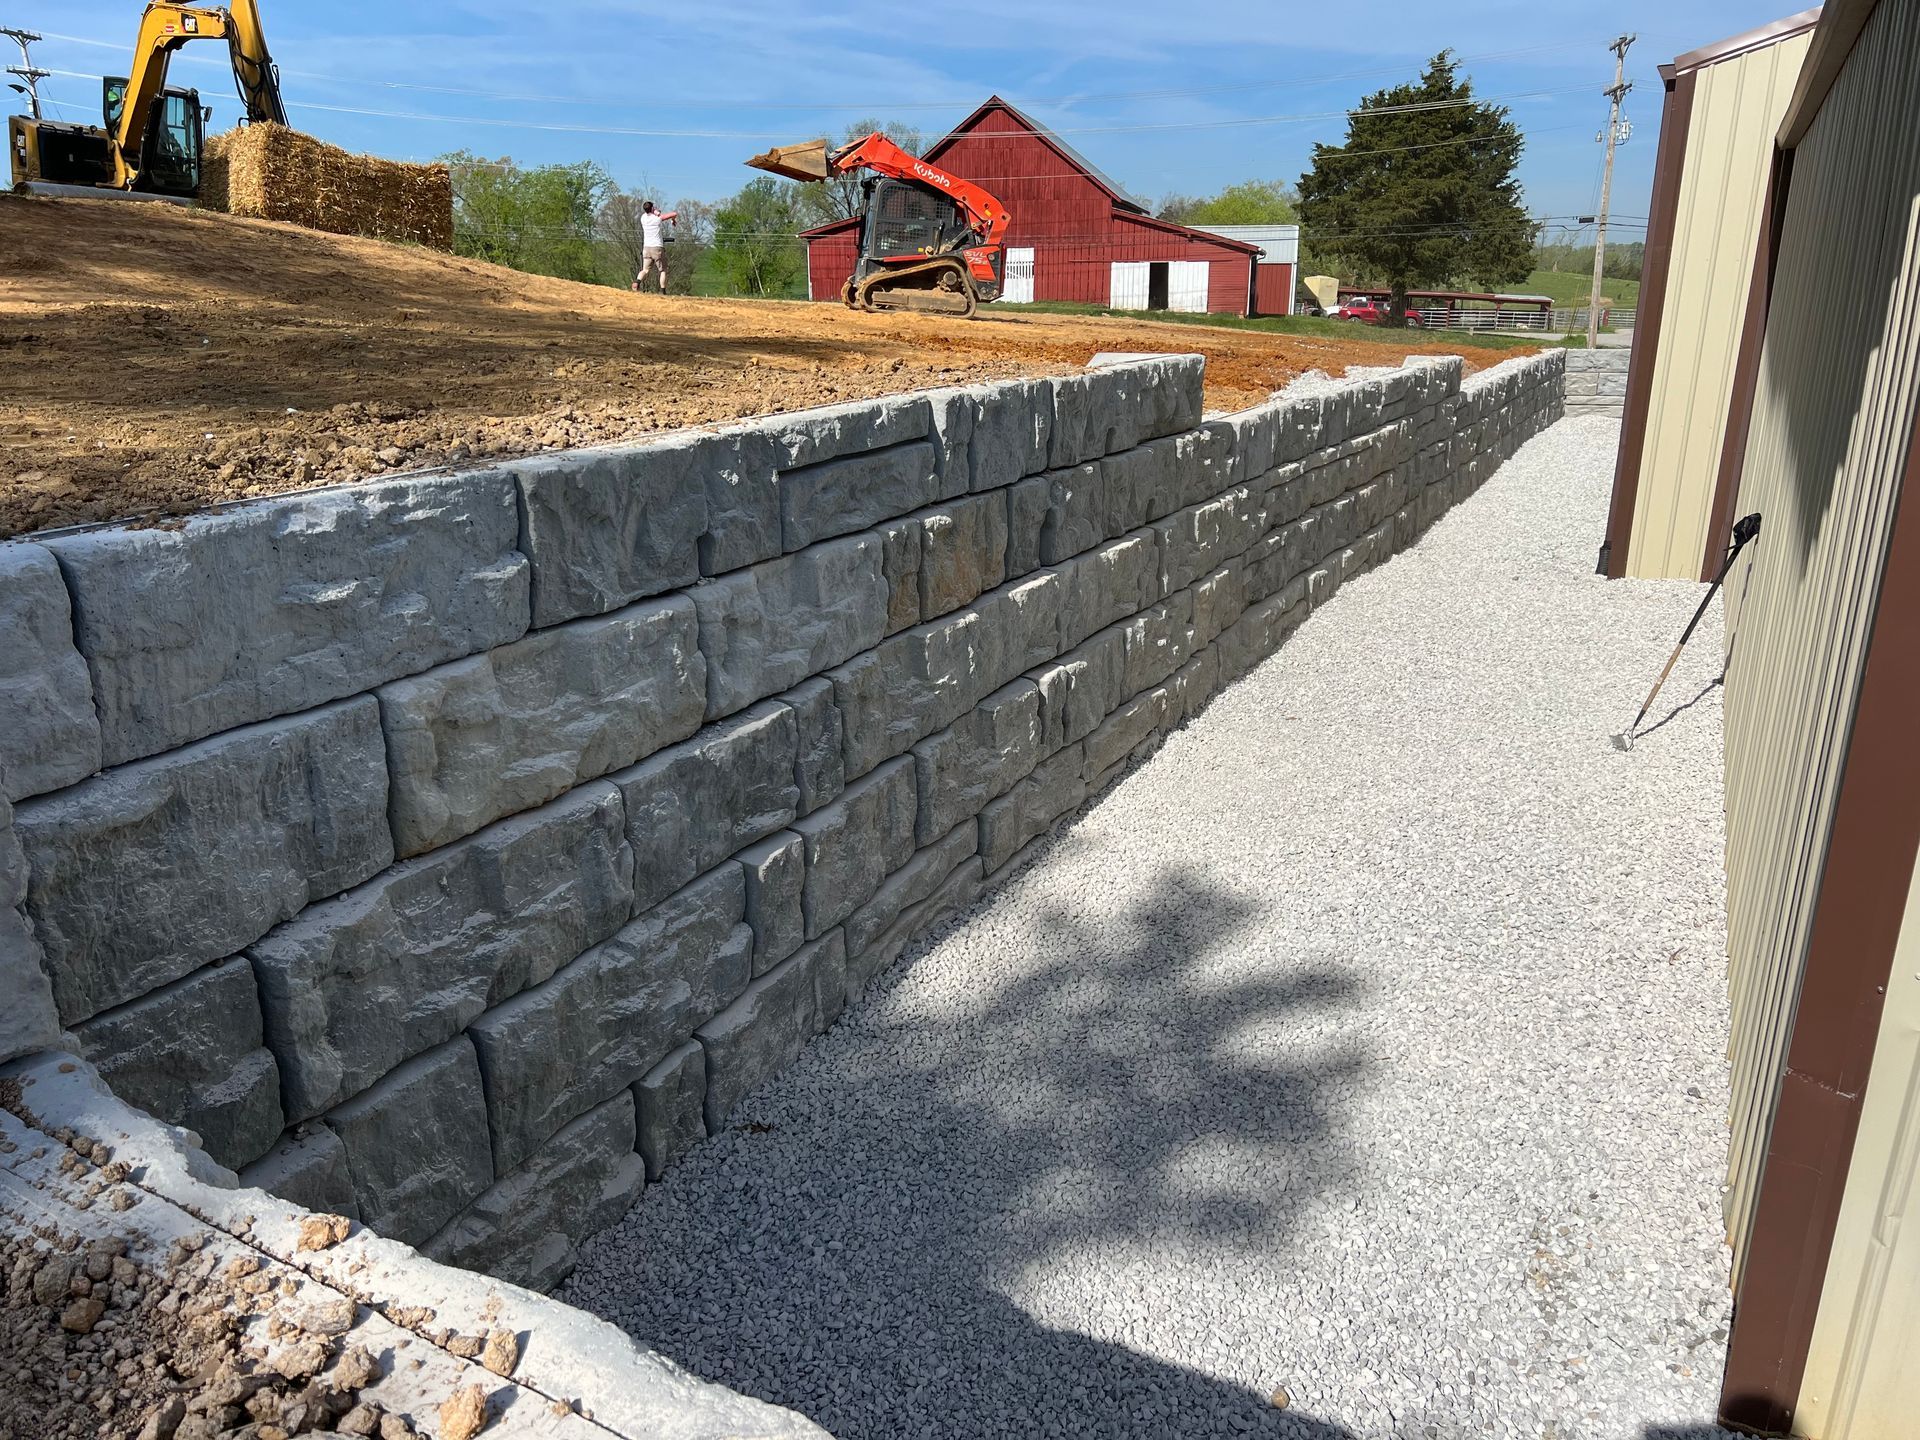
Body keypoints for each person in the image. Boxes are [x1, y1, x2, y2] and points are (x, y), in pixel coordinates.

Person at [632, 201, 679, 294]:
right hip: (657, 248)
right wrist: (672, 219)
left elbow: (652, 213)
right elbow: (674, 214)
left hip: (646, 247)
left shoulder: (643, 218)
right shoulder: (657, 219)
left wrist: (655, 212)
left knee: (645, 270)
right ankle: (663, 291)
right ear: (652, 208)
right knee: (663, 270)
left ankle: (637, 281)